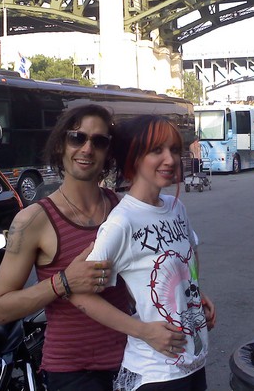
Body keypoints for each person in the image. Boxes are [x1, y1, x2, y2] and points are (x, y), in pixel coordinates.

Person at [0, 105, 181, 391]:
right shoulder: (33, 221)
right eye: (77, 138)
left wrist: (189, 299)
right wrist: (63, 282)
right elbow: (1, 309)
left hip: (134, 360)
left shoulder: (122, 209)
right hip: (75, 372)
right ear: (60, 146)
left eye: (99, 141)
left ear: (108, 153)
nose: (87, 149)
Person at [70, 114, 216, 391]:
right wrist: (143, 331)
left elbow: (187, 261)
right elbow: (80, 294)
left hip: (194, 362)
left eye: (174, 149)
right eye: (156, 150)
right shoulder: (121, 222)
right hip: (155, 373)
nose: (170, 160)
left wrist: (196, 295)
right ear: (135, 158)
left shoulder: (176, 208)